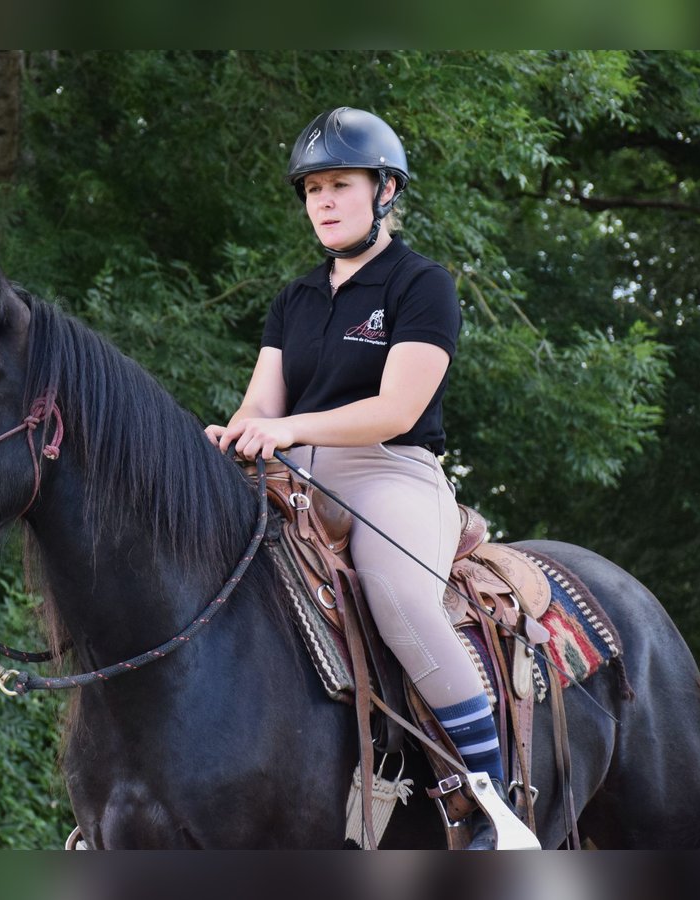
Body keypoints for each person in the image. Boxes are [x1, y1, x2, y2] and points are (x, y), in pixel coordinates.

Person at [205, 106, 525, 850]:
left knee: (396, 591)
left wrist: (286, 430)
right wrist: (236, 429)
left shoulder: (421, 285)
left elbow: (396, 407)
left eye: (340, 184)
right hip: (294, 474)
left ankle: (491, 800)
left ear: (385, 191)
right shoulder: (295, 298)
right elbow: (263, 401)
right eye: (312, 187)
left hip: (391, 472)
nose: (322, 200)